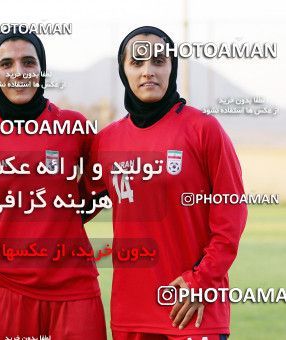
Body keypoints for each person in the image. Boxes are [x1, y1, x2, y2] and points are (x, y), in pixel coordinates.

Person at [81, 26, 247, 340]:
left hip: (193, 310)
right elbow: (70, 204)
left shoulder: (203, 130)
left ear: (172, 67)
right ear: (123, 71)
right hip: (130, 316)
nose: (148, 72)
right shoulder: (105, 142)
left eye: (159, 61)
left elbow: (231, 218)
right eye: (137, 63)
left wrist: (201, 280)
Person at [0, 31, 107, 339]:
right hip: (6, 289)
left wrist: (62, 218)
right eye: (6, 64)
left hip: (74, 288)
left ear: (42, 70)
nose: (18, 73)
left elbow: (101, 184)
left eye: (28, 62)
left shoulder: (73, 126)